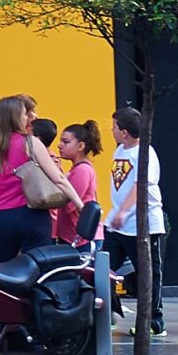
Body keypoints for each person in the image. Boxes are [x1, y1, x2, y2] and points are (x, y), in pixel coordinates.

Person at [0, 93, 71, 264]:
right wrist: (80, 205)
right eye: (25, 113)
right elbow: (59, 179)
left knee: (0, 270)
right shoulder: (30, 142)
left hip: (2, 217)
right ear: (17, 117)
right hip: (32, 214)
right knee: (36, 268)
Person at [105, 106, 164, 336]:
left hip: (144, 223)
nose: (112, 130)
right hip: (117, 224)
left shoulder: (145, 152)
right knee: (103, 267)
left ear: (125, 132)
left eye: (114, 127)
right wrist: (116, 215)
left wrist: (123, 212)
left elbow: (140, 185)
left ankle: (155, 320)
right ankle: (106, 313)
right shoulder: (119, 150)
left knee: (148, 274)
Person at [54, 119, 101, 245]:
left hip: (81, 240)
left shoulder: (82, 170)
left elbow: (68, 204)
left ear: (81, 146)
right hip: (73, 236)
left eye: (66, 142)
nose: (60, 145)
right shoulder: (76, 169)